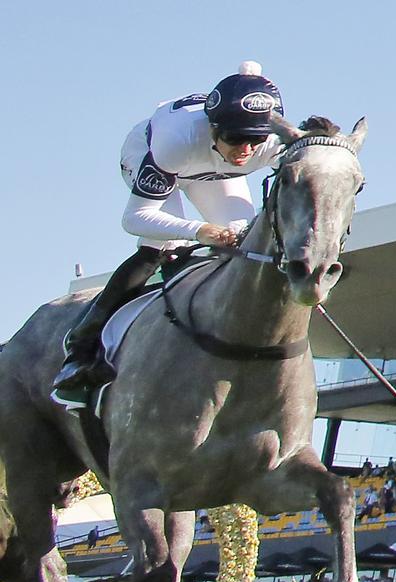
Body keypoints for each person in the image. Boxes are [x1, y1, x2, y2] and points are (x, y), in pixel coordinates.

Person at [53, 61, 285, 394]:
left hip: (210, 169)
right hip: (155, 156)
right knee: (158, 248)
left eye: (255, 139)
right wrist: (197, 230)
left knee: (245, 240)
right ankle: (81, 347)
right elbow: (134, 218)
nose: (246, 151)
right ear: (213, 128)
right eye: (236, 139)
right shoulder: (176, 141)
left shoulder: (273, 141)